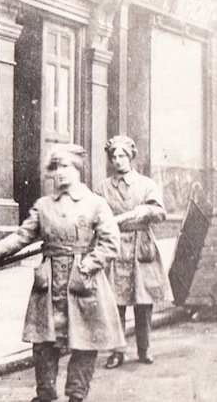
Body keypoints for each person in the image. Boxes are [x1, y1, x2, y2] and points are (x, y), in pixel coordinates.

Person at [0, 144, 124, 402]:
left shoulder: (96, 204)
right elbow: (23, 235)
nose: (60, 173)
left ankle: (77, 395)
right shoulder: (44, 205)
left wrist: (89, 264)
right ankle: (45, 393)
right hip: (49, 280)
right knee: (44, 341)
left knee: (85, 341)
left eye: (66, 166)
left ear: (78, 169)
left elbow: (110, 242)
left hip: (83, 280)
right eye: (55, 167)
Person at [95, 135, 171, 369]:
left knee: (143, 301)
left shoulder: (147, 185)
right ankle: (117, 351)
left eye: (122, 156)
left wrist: (146, 211)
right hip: (115, 246)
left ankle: (144, 348)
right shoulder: (103, 187)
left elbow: (161, 214)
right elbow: (96, 216)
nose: (118, 161)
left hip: (142, 247)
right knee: (115, 302)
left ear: (131, 157)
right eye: (114, 157)